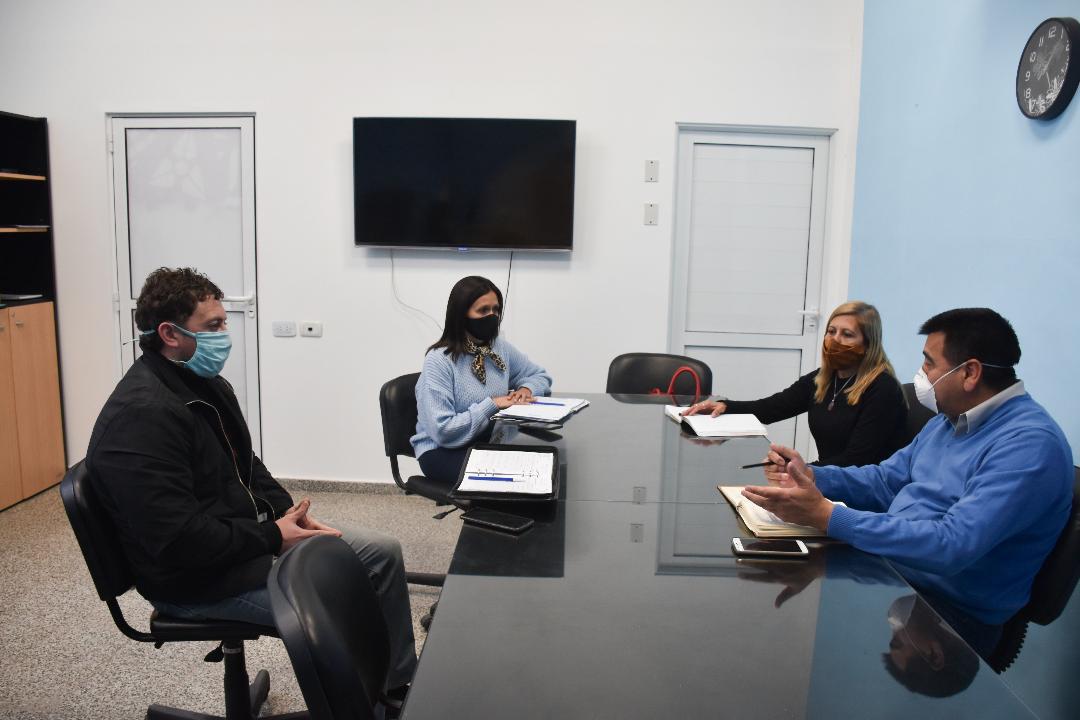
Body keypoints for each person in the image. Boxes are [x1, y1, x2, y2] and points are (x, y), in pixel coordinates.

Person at [85, 267, 417, 694]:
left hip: (243, 541)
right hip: (195, 581)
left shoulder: (204, 384)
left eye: (224, 323)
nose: (225, 335)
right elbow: (178, 541)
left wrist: (289, 514)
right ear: (169, 333)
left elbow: (247, 464)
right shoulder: (142, 416)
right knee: (341, 598)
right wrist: (273, 537)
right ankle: (359, 706)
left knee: (381, 553)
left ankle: (397, 690)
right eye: (214, 326)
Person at [742, 308, 1073, 655]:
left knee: (803, 648)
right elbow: (885, 482)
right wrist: (812, 475)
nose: (921, 374)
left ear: (970, 373)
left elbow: (951, 545)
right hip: (895, 574)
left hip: (949, 615)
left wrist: (828, 516)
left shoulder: (1028, 446)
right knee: (770, 610)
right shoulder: (949, 420)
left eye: (929, 363)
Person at [684, 301, 907, 466]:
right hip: (828, 478)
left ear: (868, 345)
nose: (835, 340)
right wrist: (726, 406)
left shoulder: (883, 389)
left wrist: (798, 469)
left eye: (847, 334)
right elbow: (771, 408)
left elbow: (857, 460)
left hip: (863, 490)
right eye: (831, 331)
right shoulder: (823, 379)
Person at [411, 275, 552, 488]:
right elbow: (443, 431)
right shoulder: (439, 360)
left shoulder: (498, 348)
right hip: (442, 451)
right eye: (483, 310)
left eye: (496, 310)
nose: (491, 316)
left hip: (487, 440)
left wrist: (526, 388)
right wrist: (492, 404)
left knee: (544, 466)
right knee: (520, 479)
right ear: (461, 314)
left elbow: (539, 375)